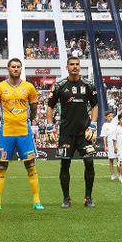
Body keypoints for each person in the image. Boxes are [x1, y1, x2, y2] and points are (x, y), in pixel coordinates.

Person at [0, 58, 43, 211]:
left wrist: (27, 120)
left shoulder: (29, 87)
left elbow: (34, 108)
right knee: (1, 166)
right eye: (13, 67)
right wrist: (2, 120)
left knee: (31, 166)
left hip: (23, 132)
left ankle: (36, 200)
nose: (16, 69)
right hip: (6, 133)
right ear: (8, 68)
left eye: (18, 67)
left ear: (21, 69)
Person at [47, 56, 99, 208]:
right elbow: (50, 106)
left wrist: (93, 124)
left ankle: (88, 198)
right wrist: (50, 125)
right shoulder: (59, 86)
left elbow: (95, 106)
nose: (75, 67)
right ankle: (66, 198)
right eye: (72, 64)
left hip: (85, 133)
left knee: (89, 163)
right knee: (65, 165)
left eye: (77, 64)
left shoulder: (89, 85)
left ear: (80, 66)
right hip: (66, 133)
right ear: (67, 67)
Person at [101, 109, 119, 181]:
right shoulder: (105, 125)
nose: (111, 117)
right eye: (109, 116)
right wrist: (105, 146)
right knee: (111, 159)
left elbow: (119, 113)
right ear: (106, 117)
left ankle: (119, 173)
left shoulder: (115, 122)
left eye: (112, 116)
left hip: (117, 142)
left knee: (119, 158)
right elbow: (104, 136)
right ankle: (112, 174)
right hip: (110, 143)